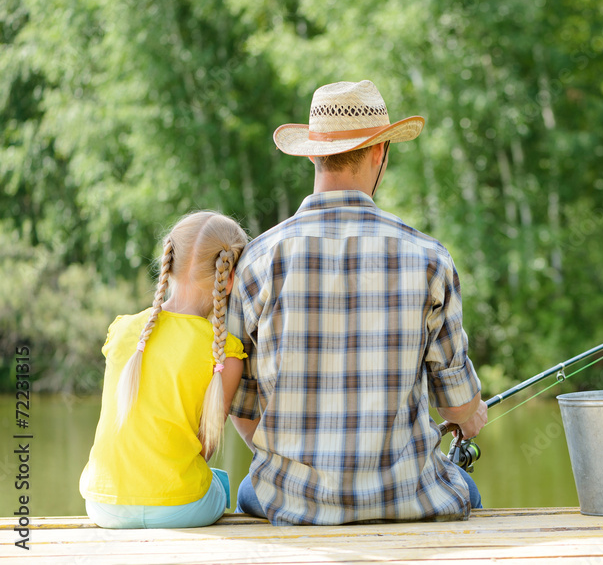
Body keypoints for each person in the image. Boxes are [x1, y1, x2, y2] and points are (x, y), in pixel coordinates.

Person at [227, 80, 487, 526]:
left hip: (288, 500)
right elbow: (456, 408)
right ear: (378, 152)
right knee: (469, 491)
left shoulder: (258, 260)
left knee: (249, 486)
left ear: (312, 153)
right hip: (409, 499)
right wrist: (472, 415)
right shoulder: (429, 258)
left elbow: (243, 409)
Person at [79, 212, 249, 529]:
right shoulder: (225, 352)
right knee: (219, 482)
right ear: (229, 278)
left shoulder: (123, 330)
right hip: (181, 508)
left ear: (167, 264)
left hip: (104, 505)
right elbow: (204, 448)